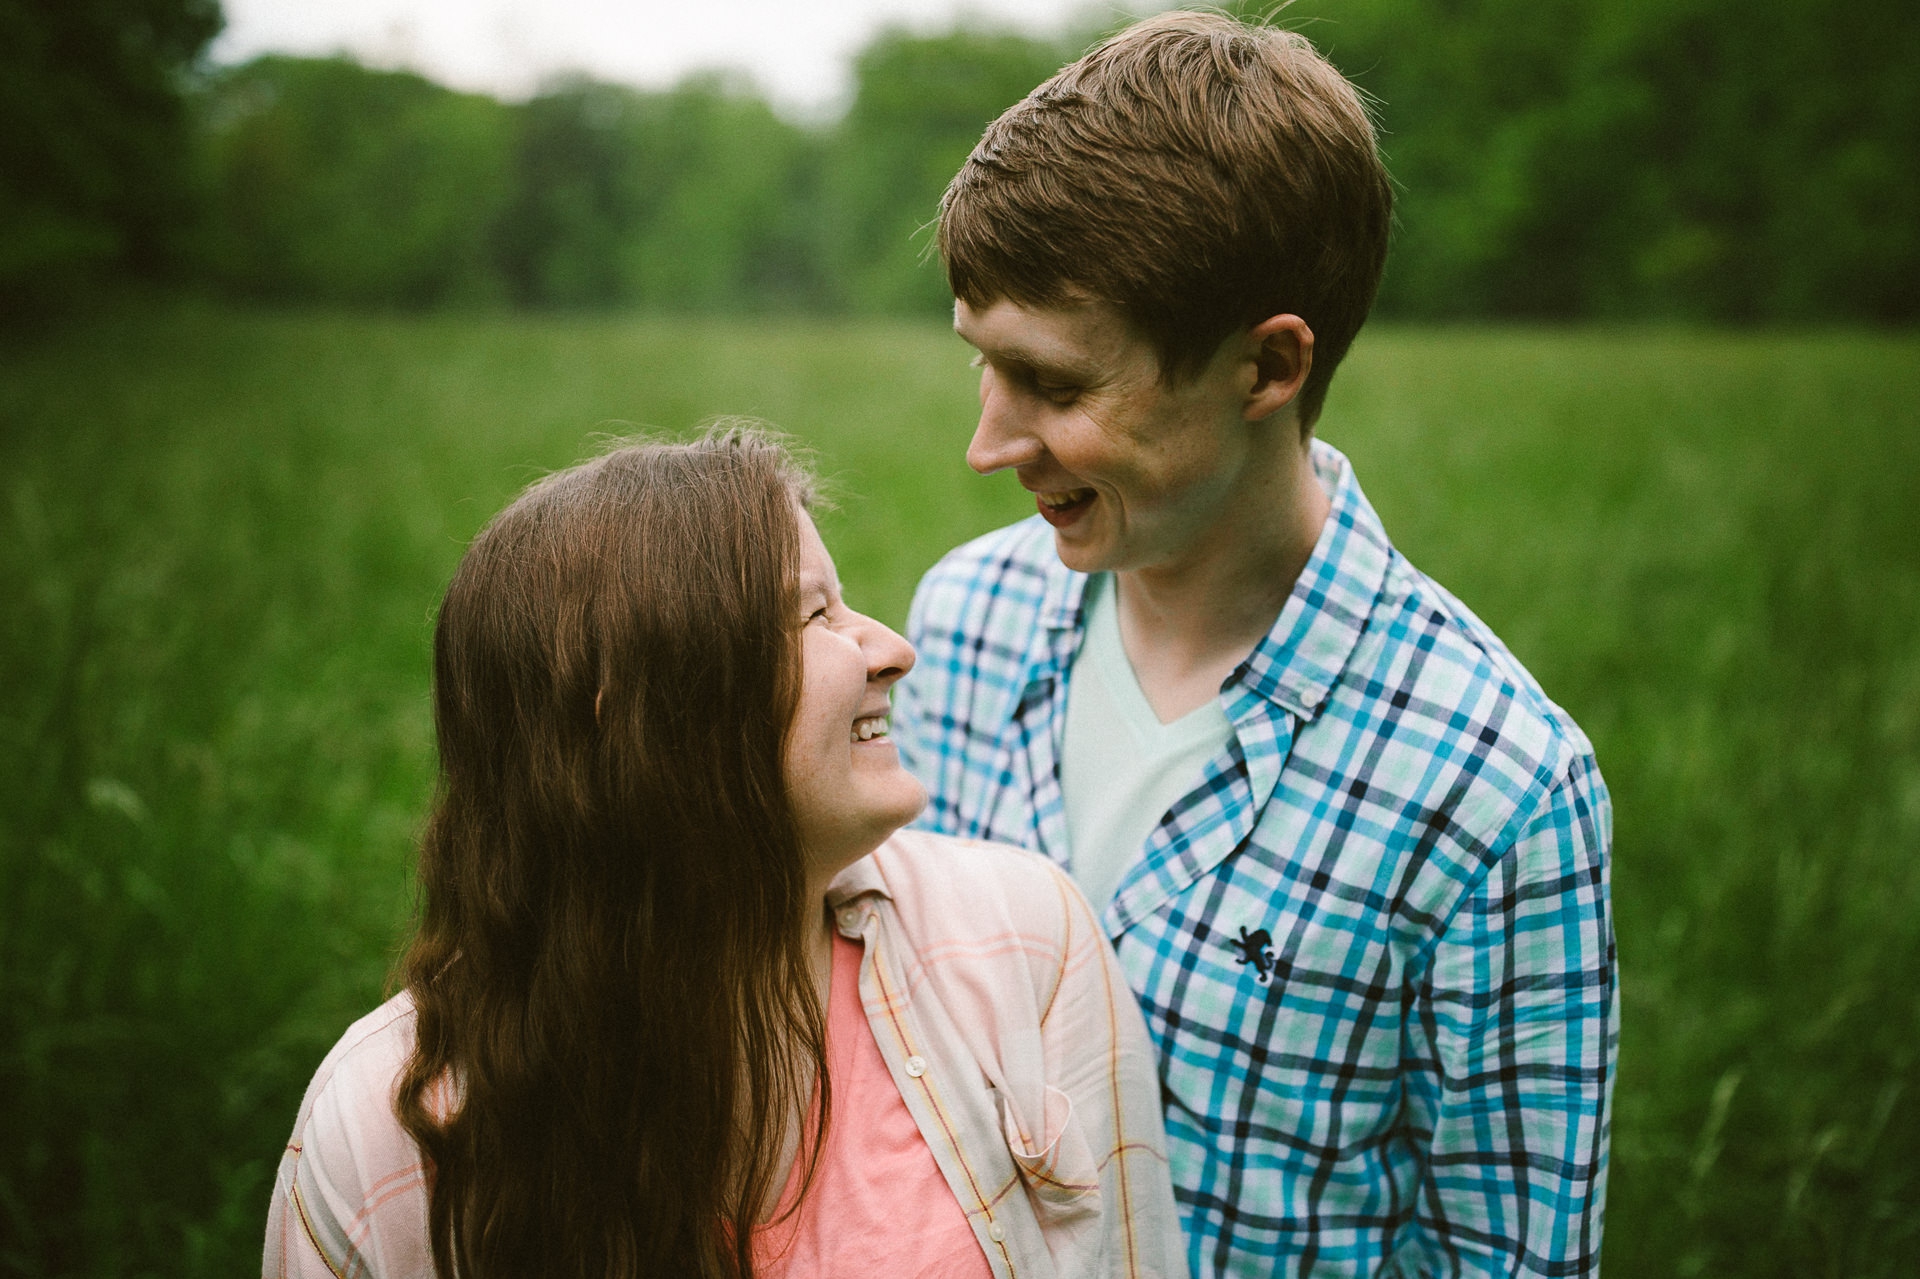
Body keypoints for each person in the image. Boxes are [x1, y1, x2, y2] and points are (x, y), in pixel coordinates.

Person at [892, 12, 1618, 1278]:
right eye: (984, 367)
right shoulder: (964, 621)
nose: (990, 442)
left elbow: (1507, 1257)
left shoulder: (1498, 789)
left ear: (1268, 365)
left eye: (1057, 387)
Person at [264, 427, 1187, 1279]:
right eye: (814, 615)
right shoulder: (387, 1128)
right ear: (640, 722)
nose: (892, 649)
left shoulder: (1023, 941)